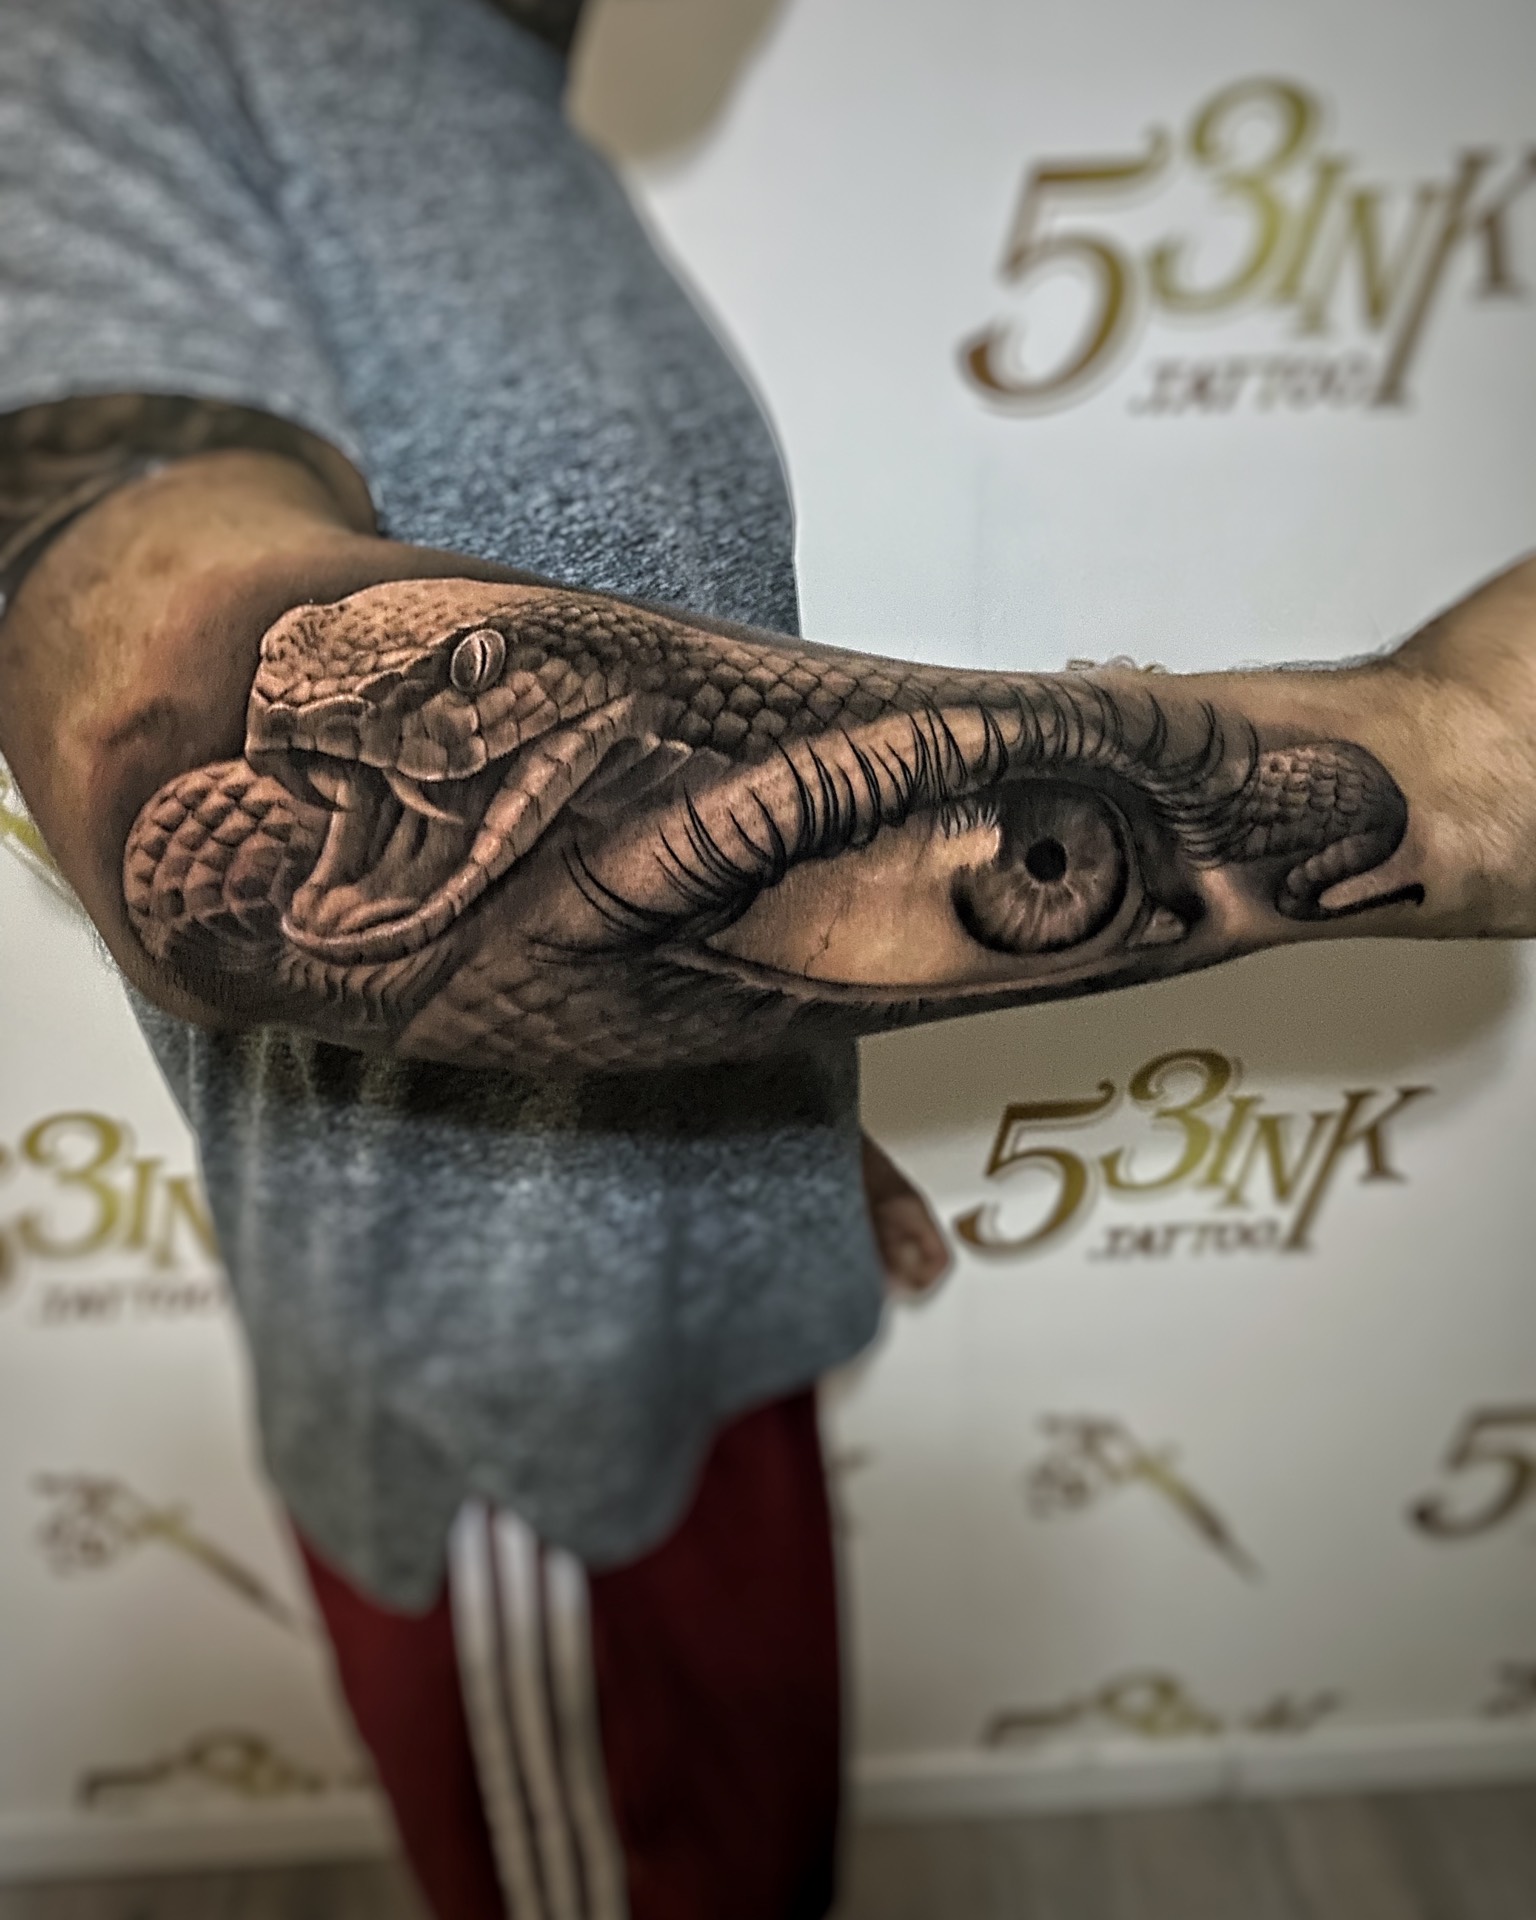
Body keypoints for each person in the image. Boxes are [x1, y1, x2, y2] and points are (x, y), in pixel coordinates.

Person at [1, 2, 1533, 1916]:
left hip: (705, 1315)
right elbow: (154, 749)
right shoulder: (110, 47)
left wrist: (756, 1058)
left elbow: (650, 763)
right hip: (522, 1424)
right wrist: (1454, 763)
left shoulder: (495, 103)